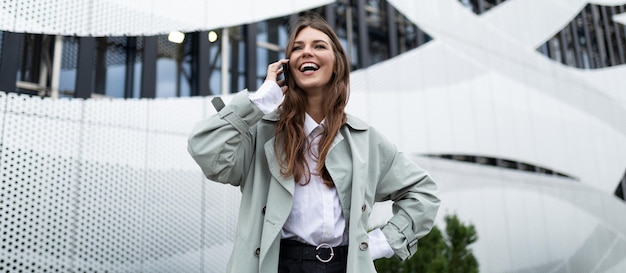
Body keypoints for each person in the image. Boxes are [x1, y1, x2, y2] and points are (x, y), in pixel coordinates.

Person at [187, 12, 440, 273]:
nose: (307, 52)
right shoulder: (260, 133)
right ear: (287, 66)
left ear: (337, 64)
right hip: (277, 265)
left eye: (319, 46)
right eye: (297, 48)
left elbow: (424, 192)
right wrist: (259, 101)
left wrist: (378, 243)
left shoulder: (365, 140)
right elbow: (204, 148)